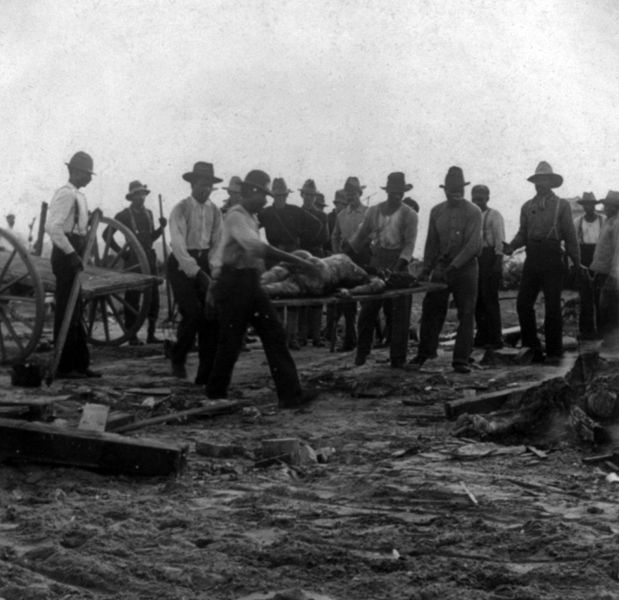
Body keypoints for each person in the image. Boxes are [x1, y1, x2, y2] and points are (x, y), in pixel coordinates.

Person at [206, 170, 320, 408]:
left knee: (274, 334)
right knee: (231, 341)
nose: (267, 200)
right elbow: (257, 247)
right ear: (253, 192)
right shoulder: (236, 216)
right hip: (234, 283)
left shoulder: (250, 217)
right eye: (264, 195)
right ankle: (214, 395)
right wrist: (300, 261)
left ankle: (290, 395)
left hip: (249, 282)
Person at [503, 161, 584, 364]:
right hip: (532, 257)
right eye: (537, 180)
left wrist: (577, 262)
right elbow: (522, 233)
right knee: (523, 303)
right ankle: (532, 347)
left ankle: (555, 351)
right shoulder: (527, 206)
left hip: (553, 257)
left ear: (551, 182)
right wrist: (510, 247)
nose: (540, 184)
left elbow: (571, 237)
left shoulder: (562, 205)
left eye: (544, 180)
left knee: (553, 306)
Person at [413, 166, 481, 374]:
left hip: (465, 267)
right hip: (442, 267)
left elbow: (473, 245)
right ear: (445, 189)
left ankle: (461, 359)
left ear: (464, 188)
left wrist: (453, 267)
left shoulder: (473, 211)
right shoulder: (436, 211)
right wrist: (426, 269)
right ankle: (425, 352)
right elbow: (431, 243)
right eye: (451, 188)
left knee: (466, 312)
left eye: (459, 188)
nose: (455, 192)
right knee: (431, 309)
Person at [348, 172, 418, 368]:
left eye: (401, 193)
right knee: (368, 309)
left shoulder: (409, 214)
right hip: (377, 260)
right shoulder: (374, 211)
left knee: (399, 312)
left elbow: (409, 244)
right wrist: (346, 253)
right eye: (394, 192)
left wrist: (397, 268)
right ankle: (362, 353)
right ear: (388, 191)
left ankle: (398, 357)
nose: (398, 196)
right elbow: (361, 236)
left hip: (399, 264)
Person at [45, 151, 100, 378]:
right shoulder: (65, 194)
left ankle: (79, 364)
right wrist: (70, 253)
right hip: (65, 253)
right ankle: (64, 366)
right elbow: (53, 228)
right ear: (74, 172)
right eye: (86, 174)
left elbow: (78, 227)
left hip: (75, 249)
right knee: (67, 309)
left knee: (75, 310)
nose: (89, 178)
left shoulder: (79, 196)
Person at [167, 161, 223, 381]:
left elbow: (218, 244)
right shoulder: (180, 209)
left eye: (209, 185)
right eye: (201, 184)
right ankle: (177, 358)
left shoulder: (215, 211)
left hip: (205, 263)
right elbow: (179, 247)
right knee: (192, 313)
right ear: (192, 184)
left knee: (211, 316)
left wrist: (214, 272)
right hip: (181, 266)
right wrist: (200, 274)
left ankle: (205, 373)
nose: (205, 189)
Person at [258, 177, 317, 349]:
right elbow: (253, 227)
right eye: (277, 196)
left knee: (294, 295)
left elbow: (317, 224)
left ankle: (292, 338)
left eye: (283, 196)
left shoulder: (296, 211)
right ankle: (279, 338)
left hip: (293, 256)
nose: (280, 199)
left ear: (286, 195)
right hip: (274, 257)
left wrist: (303, 243)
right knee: (276, 297)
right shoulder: (266, 213)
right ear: (272, 197)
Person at [106, 180, 167, 345]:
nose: (141, 197)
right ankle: (131, 335)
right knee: (132, 297)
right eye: (137, 194)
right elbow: (106, 235)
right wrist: (123, 253)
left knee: (153, 296)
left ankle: (151, 334)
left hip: (149, 257)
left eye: (143, 194)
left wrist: (161, 229)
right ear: (131, 197)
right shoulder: (124, 215)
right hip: (133, 259)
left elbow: (151, 239)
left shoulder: (149, 213)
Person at [330, 176, 368, 351]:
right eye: (348, 193)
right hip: (347, 261)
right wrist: (337, 253)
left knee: (367, 301)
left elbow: (375, 232)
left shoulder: (368, 212)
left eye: (354, 192)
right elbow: (335, 235)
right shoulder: (341, 215)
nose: (351, 196)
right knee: (347, 302)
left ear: (360, 193)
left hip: (364, 259)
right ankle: (350, 340)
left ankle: (365, 340)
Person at [471, 184, 505, 349]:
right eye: (475, 199)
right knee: (477, 299)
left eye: (481, 199)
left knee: (490, 298)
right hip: (475, 258)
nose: (477, 202)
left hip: (490, 258)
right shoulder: (472, 215)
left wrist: (498, 262)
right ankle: (482, 335)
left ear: (487, 198)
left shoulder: (494, 215)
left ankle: (495, 337)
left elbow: (499, 240)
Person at [298, 179, 329, 346]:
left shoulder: (322, 215)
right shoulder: (296, 213)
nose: (308, 198)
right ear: (301, 195)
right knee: (302, 295)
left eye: (311, 195)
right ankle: (302, 336)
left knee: (317, 295)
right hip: (302, 257)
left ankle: (316, 336)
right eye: (306, 194)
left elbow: (324, 238)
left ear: (315, 196)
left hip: (317, 256)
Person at [573, 192, 605, 339]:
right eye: (586, 204)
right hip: (584, 259)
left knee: (600, 297)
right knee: (585, 296)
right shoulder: (578, 222)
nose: (588, 207)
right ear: (583, 206)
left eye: (591, 204)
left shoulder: (603, 220)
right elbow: (573, 243)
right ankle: (586, 331)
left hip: (599, 258)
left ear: (594, 205)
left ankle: (602, 330)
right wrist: (576, 263)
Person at [590, 191, 619, 347]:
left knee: (609, 309)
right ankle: (607, 343)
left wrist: (613, 276)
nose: (605, 207)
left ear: (615, 206)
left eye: (608, 205)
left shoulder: (617, 223)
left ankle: (612, 345)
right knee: (601, 309)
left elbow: (618, 252)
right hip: (600, 272)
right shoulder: (608, 222)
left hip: (610, 275)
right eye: (605, 205)